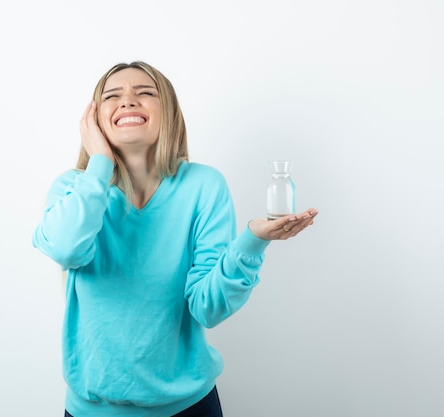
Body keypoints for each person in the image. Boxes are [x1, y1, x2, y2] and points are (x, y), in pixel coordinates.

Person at [32, 61, 318, 417]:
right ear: (93, 118)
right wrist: (100, 162)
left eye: (145, 93)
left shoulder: (204, 186)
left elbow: (207, 308)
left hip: (189, 407)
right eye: (112, 96)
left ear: (167, 112)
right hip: (92, 410)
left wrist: (251, 242)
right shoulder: (74, 188)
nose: (128, 101)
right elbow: (64, 247)